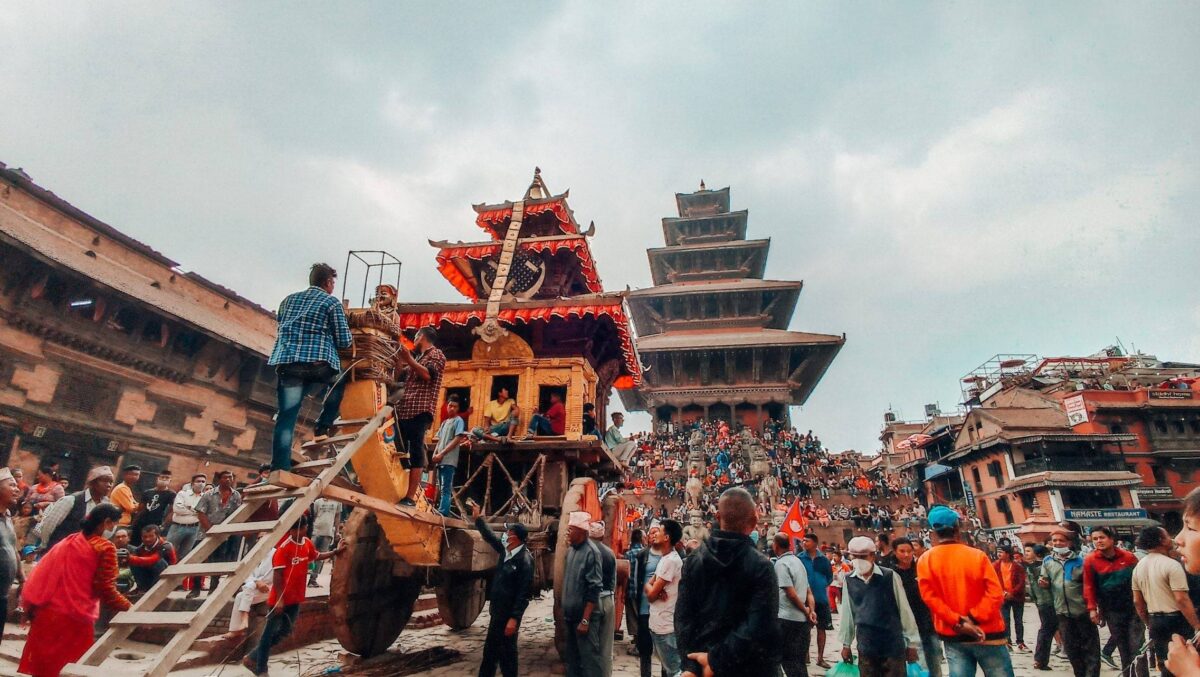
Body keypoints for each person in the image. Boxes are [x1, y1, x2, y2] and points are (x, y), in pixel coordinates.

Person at [676, 487, 781, 677]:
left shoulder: (693, 560)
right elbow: (759, 625)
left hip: (701, 664)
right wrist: (716, 661)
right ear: (755, 521)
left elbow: (683, 618)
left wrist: (692, 664)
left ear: (717, 516)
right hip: (748, 667)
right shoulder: (761, 566)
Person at [19, 504, 131, 676]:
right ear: (106, 522)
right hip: (75, 621)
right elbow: (106, 588)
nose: (113, 530)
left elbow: (42, 576)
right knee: (70, 670)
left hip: (47, 615)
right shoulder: (105, 548)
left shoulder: (68, 542)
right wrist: (131, 608)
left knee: (43, 669)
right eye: (114, 525)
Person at [266, 262, 353, 471]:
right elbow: (344, 341)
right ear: (328, 282)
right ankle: (323, 425)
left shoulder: (288, 300)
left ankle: (279, 466)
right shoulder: (331, 303)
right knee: (340, 379)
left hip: (287, 364)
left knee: (287, 416)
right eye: (333, 282)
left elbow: (282, 323)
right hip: (318, 365)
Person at [916, 505, 1013, 677]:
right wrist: (973, 618)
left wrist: (959, 622)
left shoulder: (925, 560)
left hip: (954, 634)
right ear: (956, 528)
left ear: (933, 531)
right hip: (988, 633)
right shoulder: (977, 556)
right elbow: (995, 594)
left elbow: (930, 598)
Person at [244, 513, 343, 676]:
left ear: (304, 529)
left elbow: (316, 556)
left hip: (296, 598)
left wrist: (334, 552)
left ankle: (252, 657)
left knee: (286, 631)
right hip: (280, 599)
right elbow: (277, 576)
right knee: (268, 634)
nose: (293, 533)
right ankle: (261, 668)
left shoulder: (307, 544)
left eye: (297, 530)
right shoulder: (283, 549)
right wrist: (280, 600)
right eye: (291, 531)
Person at [838, 536, 920, 677]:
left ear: (872, 556)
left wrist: (911, 643)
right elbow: (848, 614)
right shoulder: (849, 579)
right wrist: (846, 644)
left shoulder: (890, 576)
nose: (859, 560)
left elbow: (904, 611)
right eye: (855, 556)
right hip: (866, 644)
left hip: (893, 644)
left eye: (863, 556)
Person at [471, 503, 533, 677]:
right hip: (497, 612)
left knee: (507, 654)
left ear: (515, 538)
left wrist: (514, 619)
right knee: (491, 651)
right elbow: (490, 537)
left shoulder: (525, 561)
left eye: (508, 533)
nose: (505, 535)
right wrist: (479, 519)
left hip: (508, 616)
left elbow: (523, 594)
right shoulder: (507, 551)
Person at [1134, 525, 1200, 676]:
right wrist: (1197, 625)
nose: (1172, 538)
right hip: (1177, 620)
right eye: (1166, 535)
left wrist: (1148, 622)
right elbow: (1181, 599)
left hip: (1155, 620)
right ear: (1161, 541)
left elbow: (1138, 601)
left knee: (1164, 662)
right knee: (1185, 659)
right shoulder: (1172, 565)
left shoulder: (1139, 566)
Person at [1084, 525, 1146, 677]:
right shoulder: (1090, 560)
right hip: (1111, 611)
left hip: (1133, 609)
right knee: (1123, 648)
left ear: (1111, 539)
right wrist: (1092, 609)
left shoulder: (1129, 557)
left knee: (1138, 647)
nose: (1099, 541)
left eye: (1102, 537)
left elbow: (1140, 581)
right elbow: (1089, 586)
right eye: (1095, 539)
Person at [396, 327, 447, 507]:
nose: (414, 341)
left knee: (416, 451)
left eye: (416, 337)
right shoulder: (418, 358)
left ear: (421, 337)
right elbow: (400, 377)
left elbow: (427, 375)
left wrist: (408, 359)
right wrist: (401, 360)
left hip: (420, 409)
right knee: (398, 448)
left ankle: (410, 497)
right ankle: (398, 488)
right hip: (404, 409)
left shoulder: (437, 355)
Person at [1042, 527, 1100, 677]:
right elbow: (1045, 580)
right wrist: (1043, 582)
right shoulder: (1048, 561)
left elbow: (1090, 585)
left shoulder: (1081, 561)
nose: (1058, 543)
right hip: (1062, 612)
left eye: (1061, 540)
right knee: (1072, 650)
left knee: (1090, 649)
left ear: (1068, 542)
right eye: (1055, 541)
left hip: (1082, 610)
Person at [562, 511, 605, 677]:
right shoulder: (571, 551)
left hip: (584, 619)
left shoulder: (592, 553)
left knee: (590, 662)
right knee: (572, 661)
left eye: (571, 529)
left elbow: (594, 588)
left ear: (581, 532)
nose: (567, 532)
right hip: (570, 617)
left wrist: (585, 620)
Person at [892, 537, 941, 677]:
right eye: (902, 551)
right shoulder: (892, 574)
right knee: (918, 661)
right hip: (906, 624)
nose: (906, 555)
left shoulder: (921, 568)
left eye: (909, 551)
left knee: (935, 655)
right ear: (895, 552)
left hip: (927, 621)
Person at [36, 465, 115, 551]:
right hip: (60, 550)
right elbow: (48, 525)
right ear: (92, 483)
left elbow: (107, 533)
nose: (108, 485)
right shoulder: (71, 500)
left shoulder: (107, 507)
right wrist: (47, 545)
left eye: (111, 482)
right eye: (104, 481)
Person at [773, 533, 817, 677]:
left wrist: (806, 611)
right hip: (801, 622)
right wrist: (811, 611)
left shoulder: (781, 564)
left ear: (776, 545)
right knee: (798, 663)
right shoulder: (799, 562)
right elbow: (809, 592)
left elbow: (791, 593)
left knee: (787, 662)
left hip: (786, 619)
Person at [646, 519, 685, 677]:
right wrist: (654, 589)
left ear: (667, 537)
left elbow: (649, 595)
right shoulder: (666, 558)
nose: (655, 534)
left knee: (674, 671)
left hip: (666, 626)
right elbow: (648, 585)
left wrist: (654, 590)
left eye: (659, 531)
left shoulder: (670, 561)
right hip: (660, 623)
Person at [195, 470, 242, 597]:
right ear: (219, 479)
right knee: (199, 561)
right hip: (205, 533)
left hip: (223, 534)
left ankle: (213, 589)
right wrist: (210, 529)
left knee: (217, 561)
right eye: (225, 477)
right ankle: (195, 589)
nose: (228, 480)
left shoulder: (236, 495)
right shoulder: (208, 494)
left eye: (230, 477)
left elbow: (237, 514)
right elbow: (201, 513)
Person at [629, 523, 661, 677]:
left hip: (663, 610)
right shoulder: (642, 555)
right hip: (644, 608)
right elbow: (635, 577)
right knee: (645, 647)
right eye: (651, 533)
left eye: (657, 533)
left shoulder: (669, 555)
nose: (654, 536)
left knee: (663, 649)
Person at [798, 532, 834, 669]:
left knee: (822, 628)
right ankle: (805, 655)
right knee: (805, 629)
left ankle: (820, 658)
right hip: (805, 599)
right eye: (803, 541)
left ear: (814, 543)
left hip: (821, 599)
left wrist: (819, 584)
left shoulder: (824, 560)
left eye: (806, 541)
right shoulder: (799, 558)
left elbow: (829, 577)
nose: (804, 543)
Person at [430, 395, 471, 517]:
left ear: (458, 408)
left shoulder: (459, 421)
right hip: (440, 459)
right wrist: (434, 454)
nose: (452, 408)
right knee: (440, 487)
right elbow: (438, 439)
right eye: (450, 406)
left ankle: (443, 513)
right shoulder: (444, 423)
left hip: (448, 459)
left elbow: (457, 439)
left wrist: (442, 453)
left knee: (446, 488)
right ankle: (440, 510)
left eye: (455, 406)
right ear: (447, 406)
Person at [167, 473, 206, 595]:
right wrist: (195, 511)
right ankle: (163, 581)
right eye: (198, 481)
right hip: (178, 527)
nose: (201, 483)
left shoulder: (205, 497)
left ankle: (178, 583)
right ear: (192, 483)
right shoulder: (182, 494)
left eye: (203, 481)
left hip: (194, 529)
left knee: (185, 557)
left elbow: (204, 513)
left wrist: (190, 509)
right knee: (169, 553)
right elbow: (178, 509)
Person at [589, 520, 618, 676]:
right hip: (608, 599)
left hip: (591, 602)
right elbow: (613, 580)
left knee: (590, 645)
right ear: (601, 536)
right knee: (606, 646)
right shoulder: (610, 553)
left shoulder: (587, 552)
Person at [1025, 544, 1058, 671]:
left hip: (1041, 602)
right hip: (1051, 602)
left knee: (1045, 630)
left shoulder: (1030, 568)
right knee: (1049, 630)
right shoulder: (1045, 567)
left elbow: (1031, 589)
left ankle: (1039, 659)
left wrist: (1036, 600)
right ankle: (1040, 660)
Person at [992, 545, 1027, 650]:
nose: (999, 554)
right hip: (1003, 597)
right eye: (998, 552)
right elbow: (993, 581)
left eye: (1001, 552)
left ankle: (1020, 642)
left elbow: (1021, 582)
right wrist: (1002, 593)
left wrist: (1012, 592)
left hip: (1017, 597)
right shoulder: (995, 566)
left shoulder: (1017, 566)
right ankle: (1007, 641)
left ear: (1008, 553)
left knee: (1018, 620)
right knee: (1005, 620)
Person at [0, 469, 20, 637]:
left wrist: (23, 577)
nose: (17, 489)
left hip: (3, 594)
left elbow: (12, 548)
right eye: (12, 485)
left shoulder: (7, 516)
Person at [129, 523, 177, 591]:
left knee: (159, 562)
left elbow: (154, 559)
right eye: (145, 537)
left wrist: (131, 558)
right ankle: (142, 588)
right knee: (133, 563)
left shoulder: (166, 546)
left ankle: (156, 589)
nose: (147, 539)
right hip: (149, 574)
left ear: (157, 536)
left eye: (151, 536)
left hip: (167, 576)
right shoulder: (140, 548)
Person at [133, 471, 176, 545]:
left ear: (170, 480)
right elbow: (140, 509)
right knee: (135, 542)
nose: (164, 479)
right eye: (162, 477)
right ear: (158, 478)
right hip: (142, 522)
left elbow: (172, 511)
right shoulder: (147, 492)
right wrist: (135, 522)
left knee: (150, 543)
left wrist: (164, 525)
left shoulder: (171, 494)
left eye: (167, 478)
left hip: (156, 523)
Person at [308, 496, 341, 587]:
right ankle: (305, 575)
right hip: (316, 531)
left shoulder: (337, 502)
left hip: (328, 532)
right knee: (309, 555)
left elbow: (337, 517)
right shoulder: (318, 502)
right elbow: (313, 516)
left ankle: (313, 579)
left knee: (321, 557)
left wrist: (337, 531)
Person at [110, 464, 142, 530]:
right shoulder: (122, 488)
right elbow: (131, 508)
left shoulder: (127, 488)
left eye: (137, 475)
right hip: (118, 524)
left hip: (123, 524)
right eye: (132, 474)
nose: (135, 477)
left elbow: (134, 504)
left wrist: (136, 505)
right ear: (125, 475)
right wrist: (141, 505)